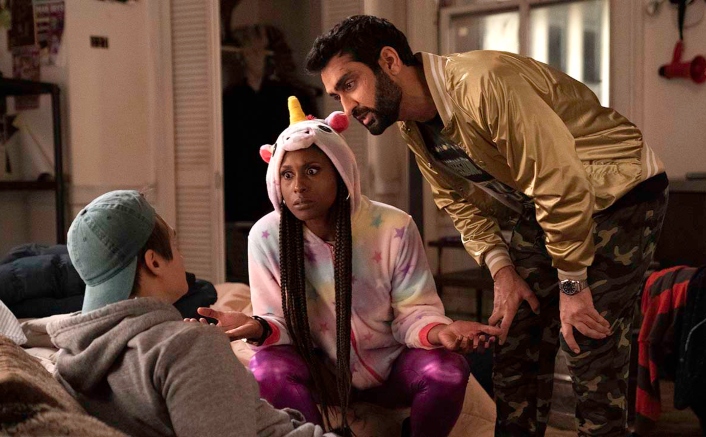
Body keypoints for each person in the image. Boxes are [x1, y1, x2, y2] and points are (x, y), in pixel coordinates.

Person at [304, 15, 669, 437]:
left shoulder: (483, 83)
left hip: (620, 191)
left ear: (389, 61)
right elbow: (459, 203)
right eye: (336, 95)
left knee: (586, 340)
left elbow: (558, 178)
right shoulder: (413, 126)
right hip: (547, 202)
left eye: (349, 84)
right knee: (514, 334)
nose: (346, 107)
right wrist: (503, 270)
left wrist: (572, 284)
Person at [196, 96, 501, 437]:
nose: (298, 186)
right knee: (267, 369)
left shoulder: (394, 227)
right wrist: (255, 326)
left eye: (312, 170)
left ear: (341, 172)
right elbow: (277, 321)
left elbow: (415, 312)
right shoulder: (266, 236)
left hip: (392, 373)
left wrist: (441, 332)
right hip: (320, 377)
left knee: (449, 370)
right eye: (286, 175)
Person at [46, 190, 338, 437]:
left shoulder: (71, 360)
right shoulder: (188, 347)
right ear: (154, 262)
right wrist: (203, 350)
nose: (182, 256)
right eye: (174, 243)